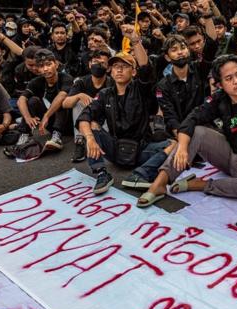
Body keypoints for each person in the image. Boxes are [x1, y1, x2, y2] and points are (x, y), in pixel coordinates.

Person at [139, 19, 237, 207]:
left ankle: (201, 184)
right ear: (220, 84)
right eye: (229, 78)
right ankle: (159, 184)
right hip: (228, 156)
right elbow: (193, 117)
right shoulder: (219, 100)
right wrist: (184, 147)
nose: (236, 81)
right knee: (198, 131)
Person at [77, 25, 176, 194]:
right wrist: (90, 138)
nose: (119, 69)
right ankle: (102, 173)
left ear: (133, 72)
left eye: (125, 66)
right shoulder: (104, 94)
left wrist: (135, 40)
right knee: (90, 126)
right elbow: (85, 115)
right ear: (110, 71)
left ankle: (140, 174)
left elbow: (145, 69)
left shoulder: (141, 89)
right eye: (116, 66)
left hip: (141, 151)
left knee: (176, 144)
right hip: (115, 149)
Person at [62, 49, 113, 163]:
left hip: (104, 120)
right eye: (95, 62)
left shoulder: (112, 83)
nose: (98, 66)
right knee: (77, 102)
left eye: (102, 63)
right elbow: (65, 104)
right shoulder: (81, 82)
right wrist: (79, 96)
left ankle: (103, 141)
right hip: (85, 119)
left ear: (108, 68)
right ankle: (79, 142)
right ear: (90, 64)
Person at [17, 49, 73, 151]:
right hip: (51, 123)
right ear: (38, 69)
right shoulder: (36, 82)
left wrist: (46, 116)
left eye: (48, 64)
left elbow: (61, 96)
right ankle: (24, 135)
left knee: (61, 101)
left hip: (69, 123)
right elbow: (21, 99)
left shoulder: (66, 78)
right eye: (41, 66)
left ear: (56, 64)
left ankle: (57, 138)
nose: (45, 69)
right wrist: (28, 117)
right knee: (32, 101)